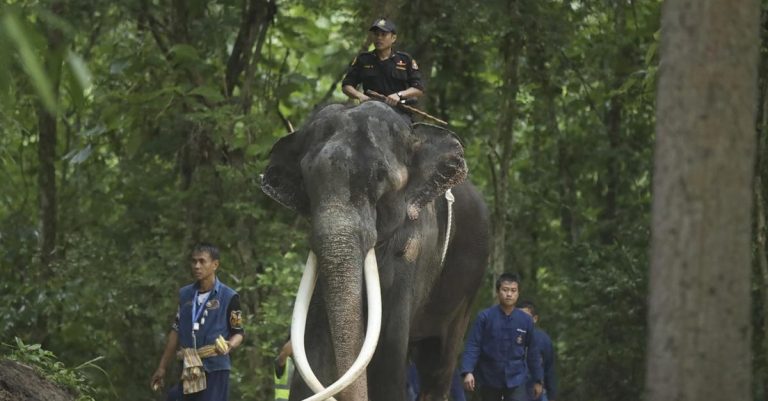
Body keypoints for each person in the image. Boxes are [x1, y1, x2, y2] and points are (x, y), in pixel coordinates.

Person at [151, 243, 245, 401]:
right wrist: (162, 367)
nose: (197, 266)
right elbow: (176, 331)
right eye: (194, 261)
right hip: (190, 366)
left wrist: (230, 345)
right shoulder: (185, 295)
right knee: (174, 397)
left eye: (202, 261)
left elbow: (238, 332)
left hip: (215, 367)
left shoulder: (229, 297)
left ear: (215, 264)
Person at [459, 273, 543, 401]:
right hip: (489, 377)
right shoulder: (485, 317)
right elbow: (473, 345)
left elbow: (533, 352)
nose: (509, 294)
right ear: (498, 292)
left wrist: (538, 379)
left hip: (517, 377)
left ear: (518, 293)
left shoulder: (526, 320)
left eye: (513, 290)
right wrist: (467, 371)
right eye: (505, 290)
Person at [341, 18, 424, 108]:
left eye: (383, 35)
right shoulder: (363, 59)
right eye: (376, 35)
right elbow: (346, 85)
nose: (379, 38)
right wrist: (360, 96)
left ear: (393, 38)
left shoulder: (405, 59)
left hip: (399, 111)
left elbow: (418, 88)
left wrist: (398, 95)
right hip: (369, 109)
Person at [518, 300, 557, 401]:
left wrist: (552, 395)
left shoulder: (543, 339)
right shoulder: (509, 336)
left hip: (536, 390)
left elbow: (549, 369)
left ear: (534, 319)